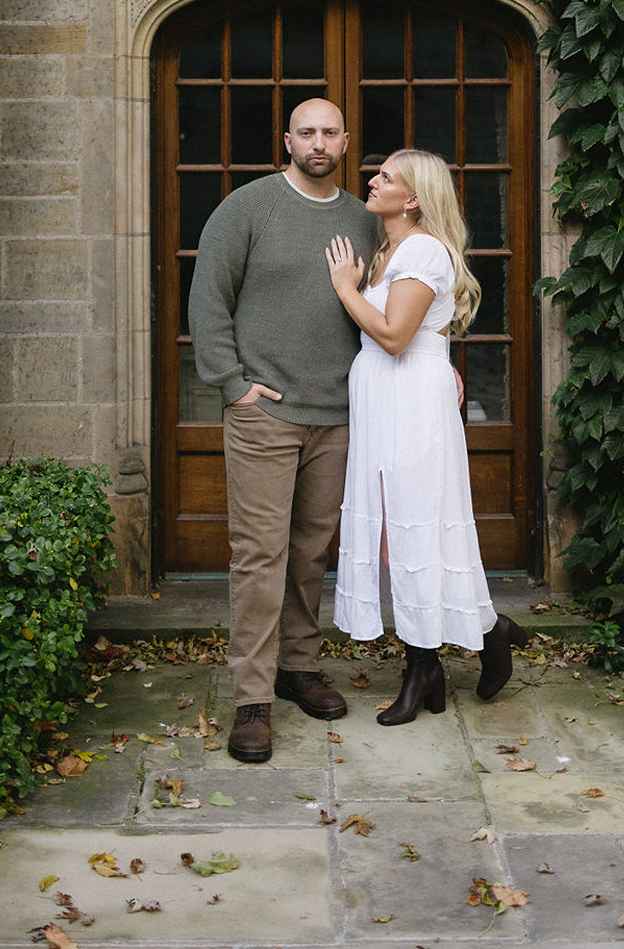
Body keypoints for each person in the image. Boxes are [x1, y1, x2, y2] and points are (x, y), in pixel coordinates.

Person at [188, 98, 379, 763]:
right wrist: (232, 384)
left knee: (309, 552)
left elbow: (388, 307)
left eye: (329, 132)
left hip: (337, 414)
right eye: (307, 132)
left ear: (346, 141)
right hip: (264, 413)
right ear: (288, 140)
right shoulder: (246, 208)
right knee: (259, 557)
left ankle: (299, 667)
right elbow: (207, 298)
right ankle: (251, 698)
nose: (318, 142)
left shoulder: (363, 217)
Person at [325, 147, 527, 724]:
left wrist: (346, 289)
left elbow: (393, 335)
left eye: (385, 176)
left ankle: (431, 665)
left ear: (412, 198)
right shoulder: (389, 248)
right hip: (383, 395)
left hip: (410, 399)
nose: (373, 178)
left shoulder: (422, 249)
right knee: (396, 531)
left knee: (418, 528)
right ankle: (472, 643)